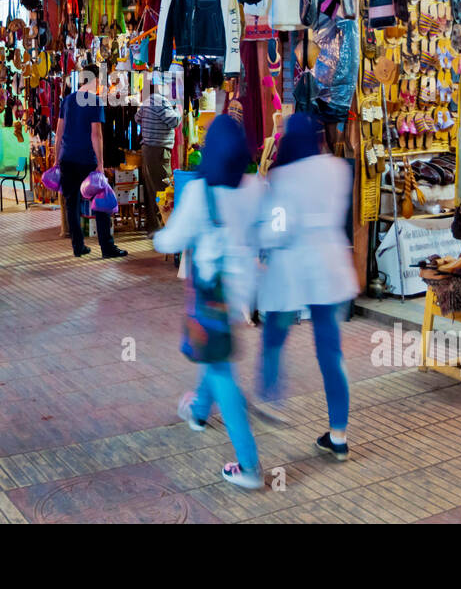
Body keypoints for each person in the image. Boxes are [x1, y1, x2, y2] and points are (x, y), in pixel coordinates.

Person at [153, 114, 264, 489]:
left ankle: (249, 468)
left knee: (220, 371)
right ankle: (199, 412)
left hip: (210, 297)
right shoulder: (253, 187)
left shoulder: (201, 192)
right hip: (241, 294)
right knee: (214, 353)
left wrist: (158, 237)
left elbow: (170, 240)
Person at [253, 112, 357, 461]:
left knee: (275, 334)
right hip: (330, 269)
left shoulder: (283, 177)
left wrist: (263, 238)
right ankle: (338, 434)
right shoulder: (338, 169)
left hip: (293, 272)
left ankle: (270, 399)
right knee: (330, 352)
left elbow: (277, 228)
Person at [55, 63, 127, 258]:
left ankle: (78, 246)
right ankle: (107, 248)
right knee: (101, 203)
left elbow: (59, 132)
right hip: (87, 159)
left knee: (72, 205)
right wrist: (100, 165)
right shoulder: (94, 101)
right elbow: (97, 135)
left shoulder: (68, 100)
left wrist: (56, 159)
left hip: (67, 158)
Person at [135, 74, 181, 235]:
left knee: (151, 189)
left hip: (148, 150)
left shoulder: (147, 103)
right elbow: (174, 122)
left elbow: (137, 118)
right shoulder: (160, 101)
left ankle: (154, 226)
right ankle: (166, 228)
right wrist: (178, 110)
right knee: (164, 189)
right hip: (159, 151)